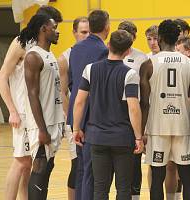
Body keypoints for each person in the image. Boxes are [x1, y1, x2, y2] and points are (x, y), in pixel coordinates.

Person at [0, 6, 62, 200]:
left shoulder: (44, 48)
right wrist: (12, 110)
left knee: (31, 165)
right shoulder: (21, 43)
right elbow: (2, 78)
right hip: (24, 112)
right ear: (43, 24)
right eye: (53, 24)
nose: (56, 28)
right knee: (21, 162)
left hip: (38, 112)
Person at [73, 29, 144, 200]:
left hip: (96, 137)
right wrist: (138, 137)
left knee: (99, 189)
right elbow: (134, 108)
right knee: (123, 189)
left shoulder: (90, 69)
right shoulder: (130, 73)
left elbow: (79, 101)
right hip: (122, 138)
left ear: (108, 45)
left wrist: (76, 128)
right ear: (128, 51)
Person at [140, 19, 190, 200]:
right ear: (178, 39)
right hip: (182, 127)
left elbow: (144, 103)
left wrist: (140, 132)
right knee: (189, 179)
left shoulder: (148, 64)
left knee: (157, 178)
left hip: (157, 128)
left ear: (159, 38)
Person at [67, 9, 110, 200]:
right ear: (107, 27)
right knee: (91, 171)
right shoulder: (103, 51)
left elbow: (72, 81)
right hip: (92, 118)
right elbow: (100, 89)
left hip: (76, 114)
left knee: (81, 168)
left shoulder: (75, 49)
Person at [20, 14, 64, 199]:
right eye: (53, 28)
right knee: (39, 168)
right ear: (43, 29)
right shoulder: (33, 56)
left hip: (54, 121)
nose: (57, 31)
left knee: (48, 168)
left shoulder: (49, 54)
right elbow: (32, 94)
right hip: (41, 124)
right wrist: (42, 129)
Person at [57, 16, 89, 200]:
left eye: (89, 32)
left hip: (93, 118)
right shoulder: (65, 58)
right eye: (83, 32)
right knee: (77, 164)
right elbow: (62, 93)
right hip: (74, 118)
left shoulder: (96, 51)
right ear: (75, 33)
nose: (86, 36)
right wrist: (74, 119)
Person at [117, 21, 148, 200]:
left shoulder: (142, 58)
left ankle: (134, 196)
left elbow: (145, 94)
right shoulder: (108, 54)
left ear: (134, 37)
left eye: (131, 33)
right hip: (114, 110)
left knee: (134, 161)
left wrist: (143, 127)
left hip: (133, 109)